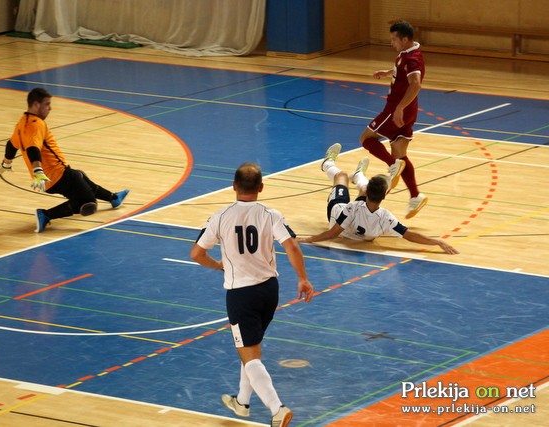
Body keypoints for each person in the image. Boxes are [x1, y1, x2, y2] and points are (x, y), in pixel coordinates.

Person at [190, 162, 314, 427]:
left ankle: (277, 409)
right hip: (269, 291)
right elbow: (292, 246)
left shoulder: (220, 216)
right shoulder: (271, 214)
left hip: (241, 294)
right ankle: (242, 402)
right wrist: (303, 278)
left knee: (249, 356)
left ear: (233, 186)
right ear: (261, 188)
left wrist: (218, 265)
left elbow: (196, 254)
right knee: (251, 349)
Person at [0, 88, 129, 232]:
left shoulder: (22, 123)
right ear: (36, 105)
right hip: (57, 175)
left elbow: (11, 145)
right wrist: (38, 171)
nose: (50, 108)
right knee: (88, 202)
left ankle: (113, 198)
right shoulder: (36, 124)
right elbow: (33, 149)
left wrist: (6, 164)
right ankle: (46, 215)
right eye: (47, 104)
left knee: (80, 176)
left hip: (50, 179)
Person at [297, 143, 458, 254]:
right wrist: (437, 242)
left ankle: (327, 163)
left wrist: (308, 239)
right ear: (385, 196)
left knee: (342, 176)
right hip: (358, 226)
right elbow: (410, 235)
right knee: (360, 187)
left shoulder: (352, 208)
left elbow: (332, 233)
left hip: (336, 212)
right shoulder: (386, 218)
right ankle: (358, 175)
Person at [360, 19, 428, 219]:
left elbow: (416, 84)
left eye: (394, 39)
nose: (392, 43)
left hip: (396, 110)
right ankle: (415, 196)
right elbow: (403, 71)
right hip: (409, 111)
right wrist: (389, 72)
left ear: (404, 39)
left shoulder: (412, 58)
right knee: (400, 153)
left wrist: (399, 108)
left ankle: (392, 165)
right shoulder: (407, 53)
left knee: (366, 139)